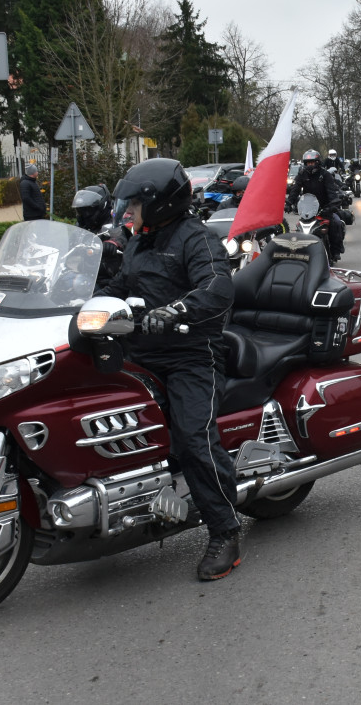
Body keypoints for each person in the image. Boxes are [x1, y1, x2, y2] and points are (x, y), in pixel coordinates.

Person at [98, 159, 239, 580]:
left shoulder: (197, 239)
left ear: (160, 204)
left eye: (136, 203)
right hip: (141, 350)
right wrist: (86, 306)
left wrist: (177, 308)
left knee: (194, 437)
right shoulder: (141, 241)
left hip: (191, 354)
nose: (128, 211)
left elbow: (217, 285)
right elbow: (121, 286)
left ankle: (225, 531)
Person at [286, 149, 345, 262]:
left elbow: (331, 191)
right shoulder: (302, 174)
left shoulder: (325, 175)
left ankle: (336, 250)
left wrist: (333, 203)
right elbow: (295, 189)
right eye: (308, 163)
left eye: (312, 162)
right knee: (299, 228)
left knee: (336, 223)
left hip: (325, 209)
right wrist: (289, 203)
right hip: (309, 210)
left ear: (317, 162)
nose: (310, 165)